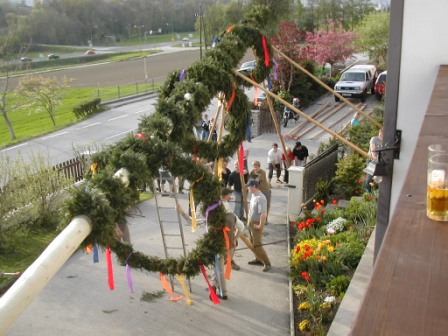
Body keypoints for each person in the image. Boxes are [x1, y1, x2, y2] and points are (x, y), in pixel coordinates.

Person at [245, 180, 271, 272]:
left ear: (254, 186)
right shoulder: (253, 195)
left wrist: (260, 226)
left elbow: (263, 214)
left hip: (256, 223)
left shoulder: (260, 198)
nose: (248, 188)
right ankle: (258, 259)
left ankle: (267, 263)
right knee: (253, 243)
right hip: (251, 223)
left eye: (249, 186)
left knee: (257, 245)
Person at [220, 188, 245, 270]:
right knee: (231, 244)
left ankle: (228, 259)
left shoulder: (224, 201)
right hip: (228, 223)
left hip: (231, 219)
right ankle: (229, 261)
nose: (231, 196)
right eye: (229, 194)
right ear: (225, 195)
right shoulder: (221, 203)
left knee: (241, 227)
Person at [365, 128, 384, 192]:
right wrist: (375, 157)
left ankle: (377, 191)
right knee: (370, 176)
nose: (381, 135)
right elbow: (373, 149)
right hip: (372, 159)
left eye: (383, 133)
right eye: (380, 133)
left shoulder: (385, 141)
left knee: (379, 177)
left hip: (381, 160)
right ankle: (368, 191)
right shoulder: (374, 139)